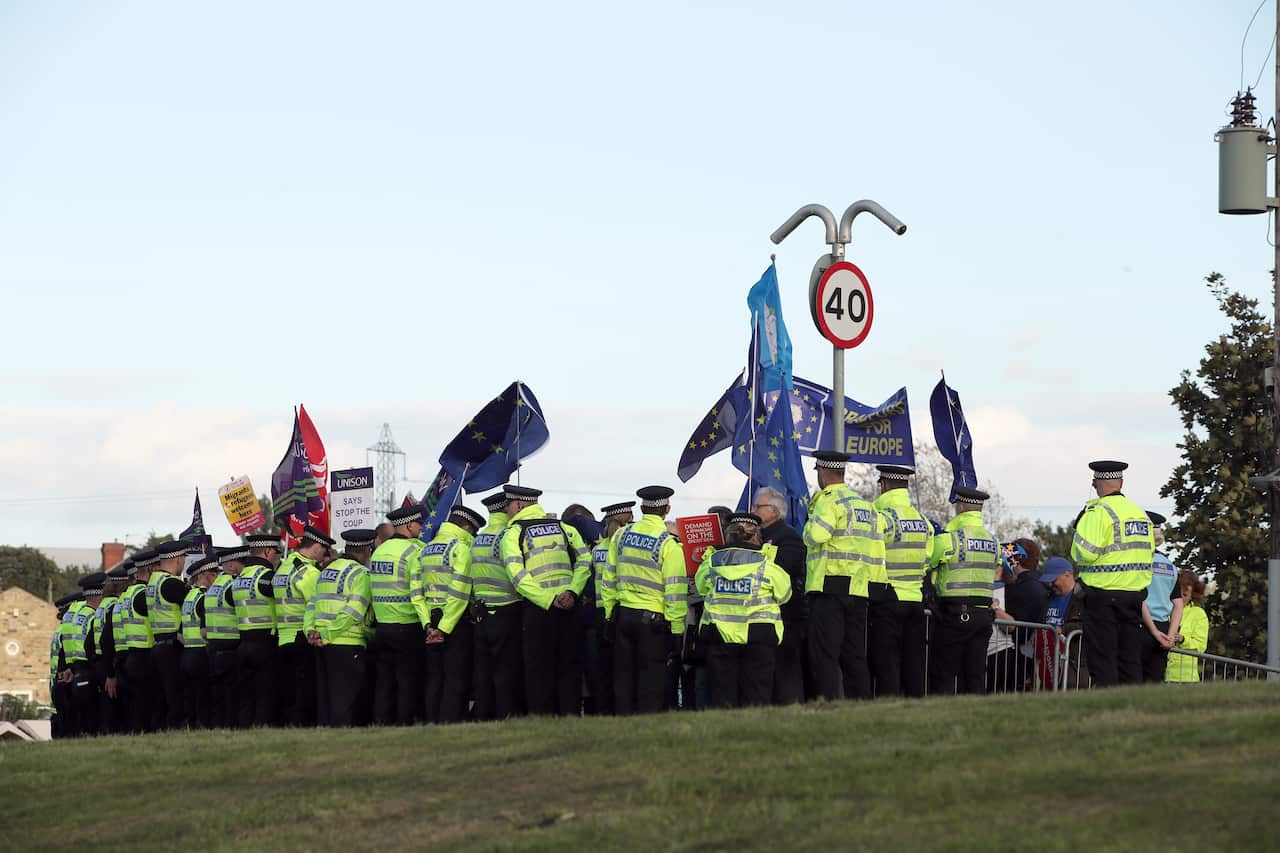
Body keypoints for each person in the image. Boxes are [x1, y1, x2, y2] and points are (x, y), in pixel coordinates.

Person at [501, 484, 592, 716]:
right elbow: (584, 561)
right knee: (569, 670)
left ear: (519, 504)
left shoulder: (513, 534)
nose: (507, 511)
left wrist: (548, 599)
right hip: (569, 608)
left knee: (539, 673)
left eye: (508, 505)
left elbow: (517, 576)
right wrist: (572, 592)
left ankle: (542, 723)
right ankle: (570, 721)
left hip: (538, 611)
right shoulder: (563, 528)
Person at [803, 451, 886, 701]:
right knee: (854, 655)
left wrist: (808, 522)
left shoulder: (828, 501)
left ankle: (829, 705)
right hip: (860, 591)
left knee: (824, 654)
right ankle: (860, 705)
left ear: (823, 472)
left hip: (830, 588)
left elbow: (815, 536)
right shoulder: (865, 505)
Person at [1069, 460, 1155, 687]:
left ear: (1095, 483)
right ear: (1121, 483)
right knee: (1129, 659)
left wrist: (1077, 535)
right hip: (1134, 596)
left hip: (1103, 596)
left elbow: (1084, 554)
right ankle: (1132, 708)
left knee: (1103, 659)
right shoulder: (1140, 514)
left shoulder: (1098, 511)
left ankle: (1108, 708)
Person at [605, 486, 688, 715]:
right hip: (653, 623)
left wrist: (609, 614)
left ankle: (623, 726)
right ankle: (646, 731)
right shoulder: (668, 544)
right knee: (650, 682)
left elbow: (608, 577)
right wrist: (677, 631)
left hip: (623, 616)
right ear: (667, 509)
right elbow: (675, 591)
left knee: (623, 679)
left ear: (641, 508)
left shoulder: (621, 536)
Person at [694, 513, 792, 708]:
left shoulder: (711, 563)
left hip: (720, 638)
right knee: (757, 699)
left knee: (722, 700)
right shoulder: (767, 566)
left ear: (729, 535)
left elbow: (700, 588)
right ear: (756, 535)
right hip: (759, 638)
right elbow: (785, 594)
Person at [928, 487, 999, 695]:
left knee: (944, 674)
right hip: (983, 616)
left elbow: (927, 561)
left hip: (955, 615)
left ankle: (942, 718)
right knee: (975, 676)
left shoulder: (951, 539)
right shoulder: (993, 542)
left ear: (959, 507)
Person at [868, 466, 931, 699]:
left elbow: (872, 556)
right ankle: (915, 706)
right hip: (915, 599)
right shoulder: (922, 521)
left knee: (887, 662)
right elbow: (928, 559)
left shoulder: (881, 518)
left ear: (883, 485)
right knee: (914, 661)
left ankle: (889, 707)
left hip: (888, 597)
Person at [306, 528, 376, 727]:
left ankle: (325, 739)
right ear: (365, 550)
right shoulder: (361, 574)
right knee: (346, 700)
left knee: (326, 699)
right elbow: (353, 611)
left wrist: (311, 632)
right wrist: (327, 634)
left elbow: (312, 605)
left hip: (321, 644)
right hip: (347, 643)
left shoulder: (326, 571)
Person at [421, 505, 483, 723]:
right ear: (466, 527)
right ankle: (450, 722)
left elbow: (416, 592)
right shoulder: (461, 549)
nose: (473, 537)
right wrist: (444, 628)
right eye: (473, 532)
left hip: (431, 620)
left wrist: (428, 624)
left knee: (435, 677)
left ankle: (432, 720)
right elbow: (459, 593)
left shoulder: (427, 548)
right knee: (455, 677)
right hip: (454, 622)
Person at [369, 505, 429, 726]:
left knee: (384, 681)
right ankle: (405, 723)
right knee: (407, 680)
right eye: (419, 524)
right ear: (408, 525)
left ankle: (381, 723)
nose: (421, 529)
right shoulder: (415, 551)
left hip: (383, 626)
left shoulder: (379, 551)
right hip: (407, 624)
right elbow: (420, 588)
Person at [466, 492, 523, 720]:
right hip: (507, 609)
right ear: (506, 509)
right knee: (505, 670)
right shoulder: (508, 536)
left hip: (482, 612)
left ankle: (483, 715)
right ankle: (504, 715)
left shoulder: (478, 539)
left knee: (483, 670)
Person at [749, 487, 808, 705]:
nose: (753, 509)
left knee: (786, 669)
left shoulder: (788, 537)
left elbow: (786, 569)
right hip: (762, 615)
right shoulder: (756, 536)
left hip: (787, 615)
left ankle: (791, 707)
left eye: (758, 506)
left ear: (774, 511)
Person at [273, 525, 332, 726]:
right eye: (324, 549)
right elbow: (317, 606)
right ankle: (302, 726)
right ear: (316, 547)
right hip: (302, 637)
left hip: (283, 638)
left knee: (288, 689)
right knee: (304, 689)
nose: (324, 555)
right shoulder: (308, 573)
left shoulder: (283, 567)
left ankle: (289, 724)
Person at [582, 501, 633, 715]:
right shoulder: (626, 549)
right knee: (622, 669)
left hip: (598, 616)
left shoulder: (596, 550)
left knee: (601, 670)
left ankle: (603, 712)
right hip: (620, 611)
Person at [144, 540, 191, 730]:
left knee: (161, 697)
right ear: (178, 559)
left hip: (157, 646)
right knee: (176, 697)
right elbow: (193, 604)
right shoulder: (171, 584)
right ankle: (175, 731)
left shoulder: (152, 583)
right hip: (173, 646)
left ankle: (160, 733)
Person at [232, 544, 277, 727]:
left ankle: (245, 727)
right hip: (265, 642)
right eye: (274, 552)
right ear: (266, 551)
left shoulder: (239, 578)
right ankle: (261, 726)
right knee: (265, 690)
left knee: (246, 693)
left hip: (243, 642)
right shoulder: (266, 576)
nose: (275, 557)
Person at [1141, 511, 1184, 684]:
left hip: (1142, 627)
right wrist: (1170, 636)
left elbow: (1139, 598)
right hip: (1164, 630)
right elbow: (1178, 604)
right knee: (1155, 683)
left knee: (1133, 683)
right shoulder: (1169, 565)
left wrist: (1153, 631)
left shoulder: (1139, 562)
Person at [206, 545, 246, 728]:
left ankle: (217, 727)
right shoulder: (232, 585)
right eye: (241, 563)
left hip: (213, 646)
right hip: (230, 647)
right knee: (232, 695)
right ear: (230, 565)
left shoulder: (214, 587)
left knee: (217, 695)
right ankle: (230, 728)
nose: (244, 566)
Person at [119, 549, 158, 732]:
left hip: (131, 655)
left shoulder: (127, 595)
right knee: (146, 704)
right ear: (150, 569)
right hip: (144, 656)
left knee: (135, 705)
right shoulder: (144, 595)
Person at [179, 555, 218, 729]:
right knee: (203, 695)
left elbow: (178, 633)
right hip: (200, 653)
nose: (216, 578)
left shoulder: (189, 597)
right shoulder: (203, 597)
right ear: (203, 575)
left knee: (190, 696)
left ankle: (192, 727)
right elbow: (205, 630)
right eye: (213, 573)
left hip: (186, 652)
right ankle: (203, 727)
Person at [96, 562, 129, 733]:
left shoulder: (101, 607)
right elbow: (106, 639)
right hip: (112, 661)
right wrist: (111, 672)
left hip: (100, 661)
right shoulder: (115, 606)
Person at [1165, 570, 1208, 683]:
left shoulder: (1198, 614)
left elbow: (1201, 646)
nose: (1180, 598)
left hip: (1186, 678)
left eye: (1184, 594)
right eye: (1177, 593)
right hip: (1162, 674)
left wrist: (1183, 639)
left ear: (1192, 595)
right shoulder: (1164, 610)